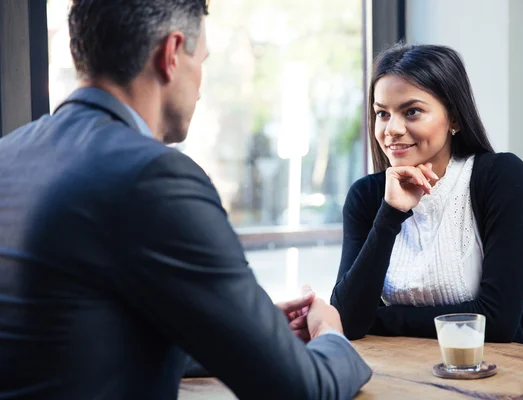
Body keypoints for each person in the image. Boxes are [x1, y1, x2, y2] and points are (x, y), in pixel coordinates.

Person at [0, 1, 371, 399]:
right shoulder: (154, 176)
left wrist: (245, 330)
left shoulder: (9, 154)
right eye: (201, 61)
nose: (201, 84)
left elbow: (74, 341)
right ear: (171, 54)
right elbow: (301, 389)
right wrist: (331, 333)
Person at [330, 43, 523, 348]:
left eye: (412, 111)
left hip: (497, 374)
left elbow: (496, 323)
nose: (392, 129)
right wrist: (390, 214)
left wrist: (377, 319)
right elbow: (348, 320)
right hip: (404, 375)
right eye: (382, 113)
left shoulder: (501, 176)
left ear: (454, 118)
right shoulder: (366, 196)